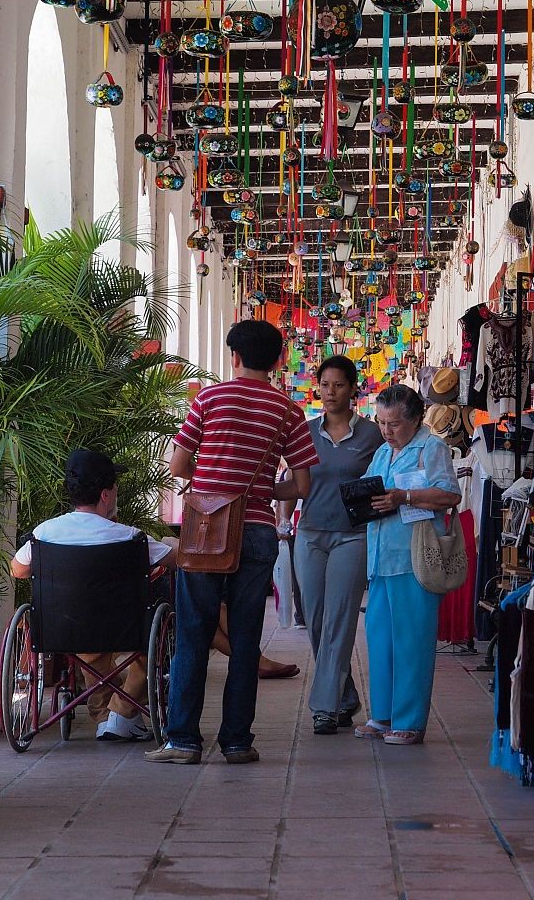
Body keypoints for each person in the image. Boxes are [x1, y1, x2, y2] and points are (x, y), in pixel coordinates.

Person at [147, 319, 318, 767]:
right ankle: (237, 741)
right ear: (279, 359)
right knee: (245, 641)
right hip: (258, 531)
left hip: (205, 530)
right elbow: (302, 485)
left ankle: (183, 740)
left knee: (193, 634)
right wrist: (262, 491)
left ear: (234, 356)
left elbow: (179, 466)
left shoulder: (210, 398)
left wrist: (214, 480)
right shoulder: (288, 410)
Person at [10, 449, 177, 743]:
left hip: (62, 630)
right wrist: (169, 542)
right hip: (124, 631)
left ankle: (111, 717)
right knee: (149, 646)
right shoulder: (130, 538)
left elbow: (18, 570)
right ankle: (122, 711)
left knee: (90, 652)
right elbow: (178, 560)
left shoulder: (44, 533)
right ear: (105, 495)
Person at [277, 355, 382, 735]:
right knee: (317, 619)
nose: (331, 392)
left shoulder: (372, 435)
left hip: (353, 536)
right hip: (310, 534)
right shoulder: (304, 431)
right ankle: (345, 694)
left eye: (338, 385)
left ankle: (324, 707)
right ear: (316, 388)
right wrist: (282, 519)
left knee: (339, 617)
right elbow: (294, 479)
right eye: (325, 385)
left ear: (353, 388)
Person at [354, 383, 460, 746]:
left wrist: (406, 496)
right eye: (382, 422)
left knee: (412, 641)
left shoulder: (431, 448)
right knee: (380, 638)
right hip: (382, 558)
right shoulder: (383, 453)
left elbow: (449, 494)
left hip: (415, 559)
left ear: (415, 420)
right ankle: (382, 715)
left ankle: (410, 720)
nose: (387, 430)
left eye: (394, 423)